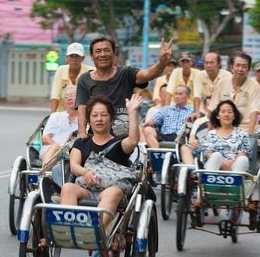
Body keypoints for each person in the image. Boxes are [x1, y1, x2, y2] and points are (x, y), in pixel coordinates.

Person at [61, 94, 142, 227]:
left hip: (110, 191)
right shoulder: (81, 142)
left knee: (113, 192)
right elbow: (73, 165)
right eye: (94, 115)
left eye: (104, 115)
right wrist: (85, 172)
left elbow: (133, 141)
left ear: (111, 119)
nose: (99, 119)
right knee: (67, 187)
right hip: (86, 189)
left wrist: (132, 113)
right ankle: (69, 230)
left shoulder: (118, 142)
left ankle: (96, 233)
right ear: (89, 120)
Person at [76, 37, 173, 138]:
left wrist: (162, 63)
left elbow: (148, 74)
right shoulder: (85, 79)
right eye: (98, 51)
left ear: (114, 54)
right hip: (97, 136)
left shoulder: (126, 73)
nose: (103, 54)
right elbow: (82, 108)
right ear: (91, 56)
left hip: (125, 138)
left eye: (107, 50)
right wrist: (82, 132)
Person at [209, 51, 260, 171]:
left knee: (243, 155)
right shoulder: (222, 83)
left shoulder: (254, 86)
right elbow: (213, 109)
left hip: (244, 129)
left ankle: (236, 171)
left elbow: (254, 112)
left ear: (248, 69)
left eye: (244, 66)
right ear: (232, 67)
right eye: (237, 65)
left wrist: (249, 134)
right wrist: (211, 129)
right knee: (209, 148)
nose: (240, 69)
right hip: (221, 128)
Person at [200, 100, 250, 172]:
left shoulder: (242, 135)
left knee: (243, 159)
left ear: (234, 116)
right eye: (223, 112)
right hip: (214, 167)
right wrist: (223, 164)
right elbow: (208, 153)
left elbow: (242, 154)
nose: (226, 115)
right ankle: (209, 182)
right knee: (216, 155)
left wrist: (229, 164)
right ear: (217, 116)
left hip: (234, 168)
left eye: (230, 112)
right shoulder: (210, 134)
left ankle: (235, 182)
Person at [50, 42, 93, 112]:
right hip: (62, 113)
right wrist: (53, 115)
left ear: (83, 58)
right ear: (67, 58)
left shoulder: (91, 71)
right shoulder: (61, 70)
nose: (74, 59)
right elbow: (55, 95)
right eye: (71, 56)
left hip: (84, 113)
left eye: (77, 56)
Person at [41, 86, 78, 167]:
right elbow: (45, 138)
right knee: (55, 147)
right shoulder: (55, 116)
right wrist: (60, 148)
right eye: (66, 97)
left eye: (72, 95)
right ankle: (45, 173)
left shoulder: (85, 119)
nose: (69, 98)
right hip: (51, 150)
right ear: (63, 102)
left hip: (73, 151)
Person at [193, 51, 231, 117]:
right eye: (206, 63)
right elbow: (197, 96)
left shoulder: (228, 76)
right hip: (203, 112)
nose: (208, 65)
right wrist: (197, 112)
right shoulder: (199, 76)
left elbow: (228, 97)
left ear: (219, 64)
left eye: (212, 62)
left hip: (222, 113)